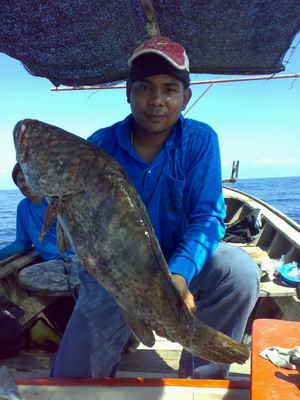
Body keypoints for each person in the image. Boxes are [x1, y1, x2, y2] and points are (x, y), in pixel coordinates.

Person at [51, 36, 260, 379]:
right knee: (70, 380)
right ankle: (120, 334)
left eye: (169, 89)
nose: (156, 100)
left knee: (238, 270)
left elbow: (208, 217)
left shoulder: (200, 139)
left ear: (185, 97)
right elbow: (73, 212)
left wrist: (178, 275)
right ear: (128, 92)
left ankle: (201, 375)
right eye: (145, 88)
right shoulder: (98, 145)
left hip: (179, 261)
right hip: (113, 275)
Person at [0, 163, 80, 295]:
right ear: (17, 185)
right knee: (24, 277)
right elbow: (21, 243)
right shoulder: (22, 207)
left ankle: (80, 286)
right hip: (55, 264)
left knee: (79, 277)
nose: (25, 184)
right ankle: (79, 286)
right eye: (20, 180)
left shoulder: (54, 200)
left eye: (29, 178)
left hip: (77, 258)